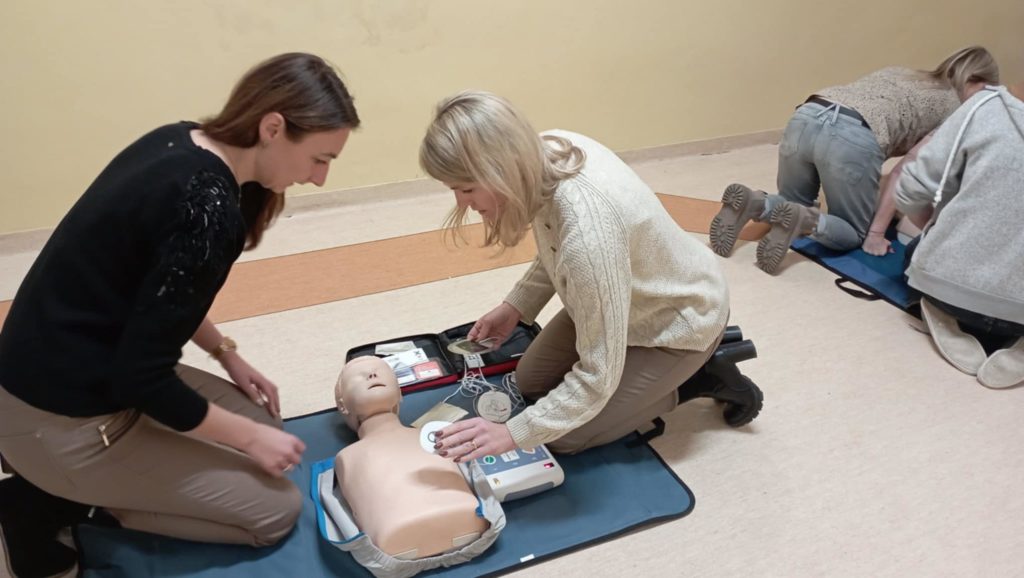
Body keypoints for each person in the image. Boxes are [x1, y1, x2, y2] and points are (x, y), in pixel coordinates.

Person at [0, 52, 359, 577]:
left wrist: (226, 354)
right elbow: (144, 378)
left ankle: (77, 480)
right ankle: (45, 503)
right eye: (319, 158)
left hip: (72, 377)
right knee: (275, 509)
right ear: (273, 127)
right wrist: (249, 440)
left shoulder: (183, 140)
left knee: (263, 425)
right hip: (60, 421)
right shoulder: (209, 209)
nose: (320, 178)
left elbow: (160, 289)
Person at [417, 91, 760, 464]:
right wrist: (516, 306)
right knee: (529, 383)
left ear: (503, 168)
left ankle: (701, 377)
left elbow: (598, 377)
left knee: (564, 438)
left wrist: (513, 434)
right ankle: (659, 375)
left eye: (467, 189)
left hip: (678, 322)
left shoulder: (588, 238)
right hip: (622, 299)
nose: (462, 203)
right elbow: (556, 244)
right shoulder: (550, 148)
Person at [710, 46, 999, 273]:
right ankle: (807, 221)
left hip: (807, 114)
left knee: (791, 200)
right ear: (976, 81)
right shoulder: (955, 108)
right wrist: (875, 232)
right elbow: (906, 170)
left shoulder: (902, 73)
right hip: (851, 136)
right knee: (851, 232)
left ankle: (755, 202)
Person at [895, 84, 1024, 388]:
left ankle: (938, 311)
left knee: (914, 250)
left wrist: (930, 224)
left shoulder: (984, 107)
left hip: (950, 287)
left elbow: (912, 187)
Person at [333, 356, 488, 559]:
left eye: (380, 371)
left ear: (399, 391)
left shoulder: (437, 436)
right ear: (343, 406)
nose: (372, 375)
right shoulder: (347, 457)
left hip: (405, 541)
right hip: (404, 537)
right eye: (358, 377)